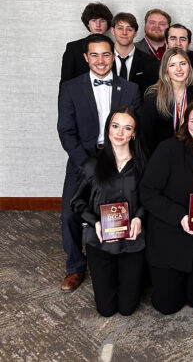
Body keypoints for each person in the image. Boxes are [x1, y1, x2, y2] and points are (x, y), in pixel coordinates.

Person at [57, 34, 141, 292]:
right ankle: (75, 267)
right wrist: (87, 164)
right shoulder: (70, 88)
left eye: (106, 54)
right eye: (94, 55)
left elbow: (136, 130)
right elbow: (66, 132)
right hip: (83, 159)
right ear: (86, 58)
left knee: (126, 208)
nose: (101, 60)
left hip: (120, 157)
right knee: (69, 215)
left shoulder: (129, 89)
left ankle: (123, 258)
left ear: (113, 55)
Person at [140, 98, 193, 314]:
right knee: (167, 306)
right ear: (185, 123)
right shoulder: (169, 149)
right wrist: (181, 217)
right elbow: (148, 192)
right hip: (170, 238)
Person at [70, 105, 147, 316]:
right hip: (100, 244)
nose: (119, 132)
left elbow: (150, 200)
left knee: (127, 308)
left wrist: (139, 218)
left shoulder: (143, 165)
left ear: (134, 134)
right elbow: (76, 202)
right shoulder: (91, 165)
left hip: (133, 244)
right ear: (108, 128)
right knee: (106, 309)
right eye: (115, 126)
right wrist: (95, 223)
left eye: (127, 128)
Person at [140, 48, 193, 155]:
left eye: (182, 63)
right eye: (172, 65)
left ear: (189, 67)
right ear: (166, 70)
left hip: (190, 153)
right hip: (161, 154)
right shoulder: (153, 97)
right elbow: (145, 136)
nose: (179, 69)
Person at [60, 2, 113, 85]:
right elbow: (65, 82)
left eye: (102, 21)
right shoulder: (73, 48)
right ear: (88, 23)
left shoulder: (115, 47)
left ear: (108, 24)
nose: (98, 25)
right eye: (93, 20)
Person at [110, 12, 158, 96]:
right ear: (112, 31)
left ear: (135, 33)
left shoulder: (150, 62)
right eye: (120, 28)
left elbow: (151, 95)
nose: (124, 33)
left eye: (129, 29)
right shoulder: (102, 60)